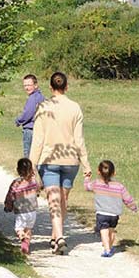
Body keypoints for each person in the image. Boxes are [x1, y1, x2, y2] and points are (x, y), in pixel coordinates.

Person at [28, 72, 91, 255]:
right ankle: (56, 237)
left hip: (49, 160)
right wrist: (86, 165)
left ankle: (59, 236)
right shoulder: (75, 108)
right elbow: (79, 140)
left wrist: (31, 165)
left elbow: (37, 139)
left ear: (50, 87)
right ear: (67, 86)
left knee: (54, 200)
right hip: (71, 160)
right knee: (63, 199)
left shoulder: (43, 107)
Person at [84, 160, 138, 257]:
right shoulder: (119, 186)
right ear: (114, 173)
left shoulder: (96, 183)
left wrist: (87, 178)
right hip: (114, 214)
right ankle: (110, 245)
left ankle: (107, 249)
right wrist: (133, 207)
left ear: (98, 172)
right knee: (111, 230)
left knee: (103, 230)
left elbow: (87, 187)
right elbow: (127, 198)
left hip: (102, 213)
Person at [3, 157, 41, 256]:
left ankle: (22, 238)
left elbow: (10, 195)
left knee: (19, 228)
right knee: (28, 228)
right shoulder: (33, 181)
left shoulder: (16, 183)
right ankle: (26, 244)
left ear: (18, 170)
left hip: (21, 212)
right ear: (31, 170)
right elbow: (38, 189)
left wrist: (8, 206)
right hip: (32, 211)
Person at [14, 74, 44, 157]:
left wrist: (18, 121)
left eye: (29, 85)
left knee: (28, 155)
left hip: (30, 130)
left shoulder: (33, 98)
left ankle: (28, 170)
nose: (27, 88)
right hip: (39, 129)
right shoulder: (41, 96)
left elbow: (28, 113)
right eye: (25, 85)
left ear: (36, 85)